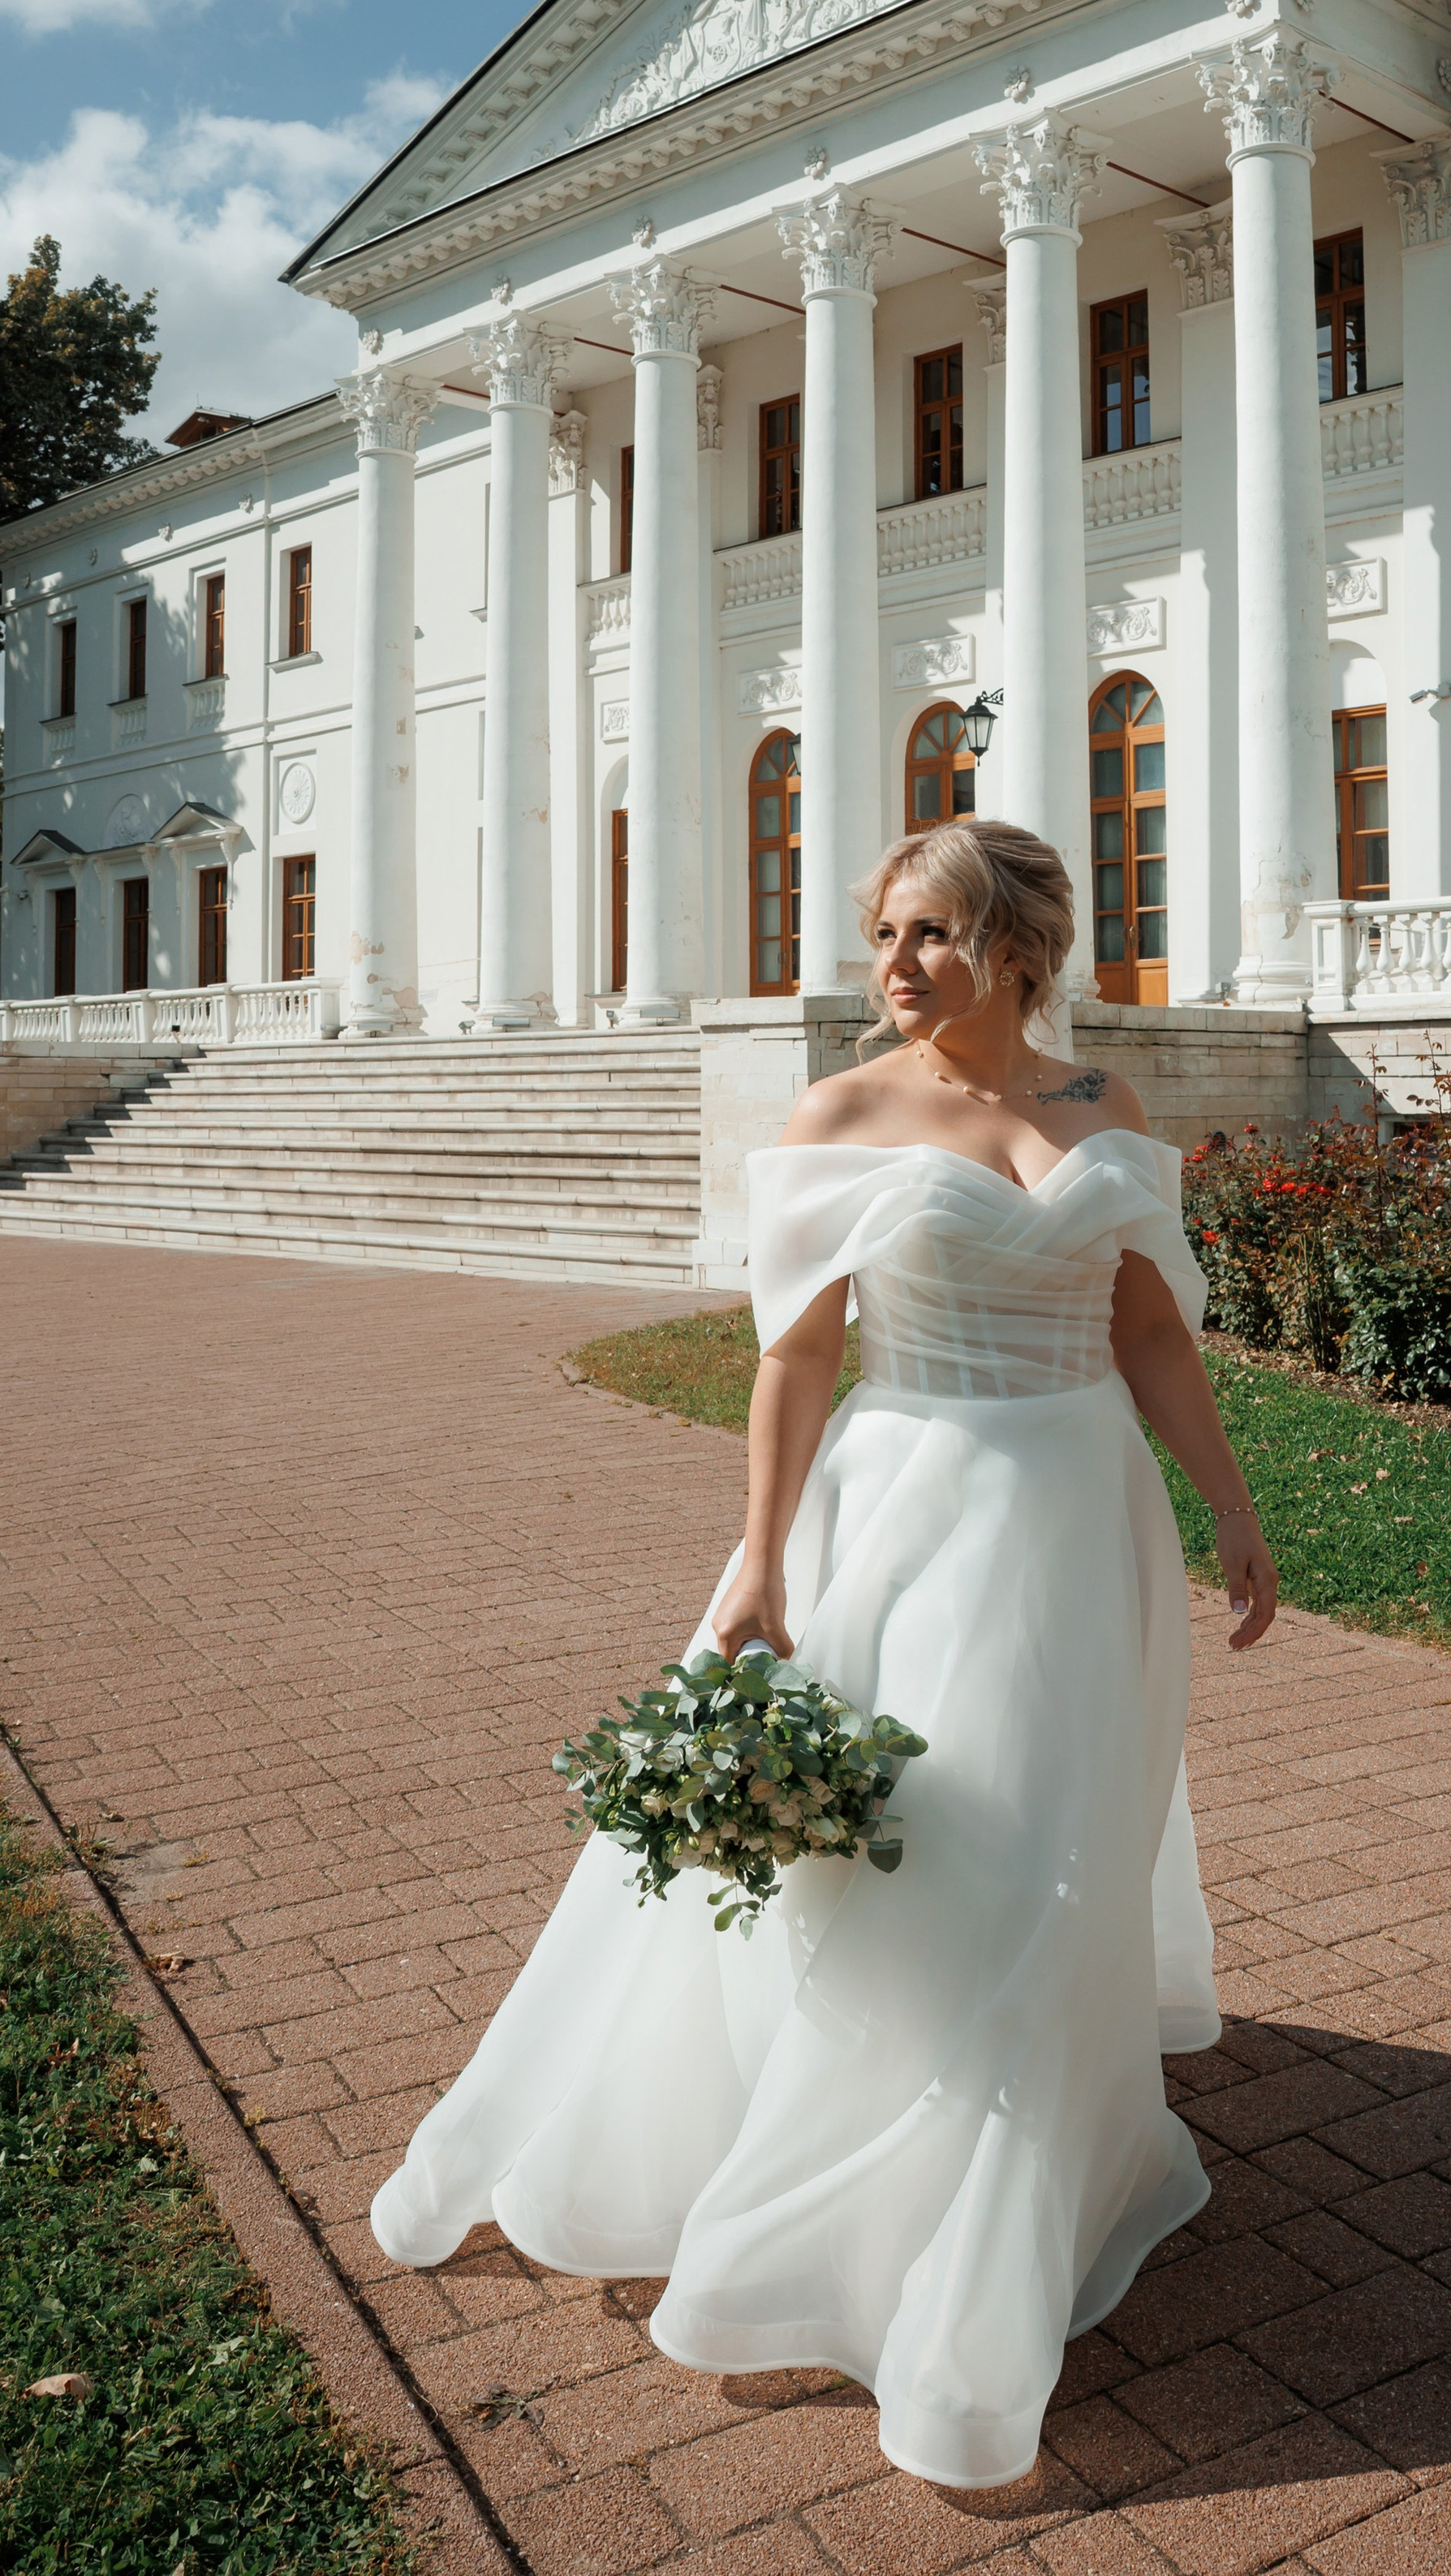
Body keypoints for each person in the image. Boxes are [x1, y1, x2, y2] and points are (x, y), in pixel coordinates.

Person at [368, 819, 1277, 2489]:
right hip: (902, 1511)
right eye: (880, 933)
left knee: (1054, 1849)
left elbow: (1145, 1322)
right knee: (917, 1851)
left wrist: (1227, 1507)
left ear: (1014, 947)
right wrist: (765, 1563)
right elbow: (794, 1360)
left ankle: (1017, 2162)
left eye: (924, 932)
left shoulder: (1103, 1113)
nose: (891, 965)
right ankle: (853, 2185)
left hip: (1083, 1516)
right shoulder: (844, 1113)